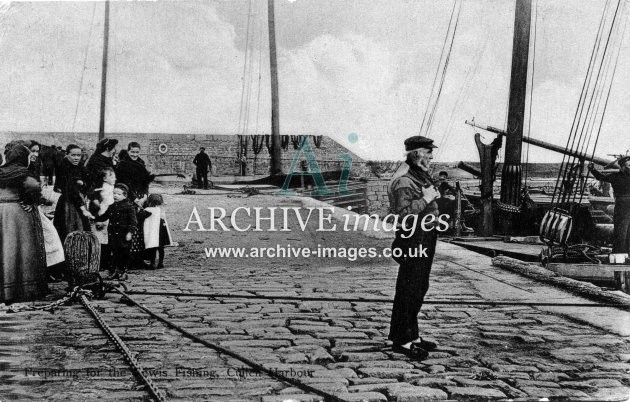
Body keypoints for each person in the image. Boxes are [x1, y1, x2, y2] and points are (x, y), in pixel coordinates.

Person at [387, 135, 441, 360]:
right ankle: (403, 341)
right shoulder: (405, 181)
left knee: (418, 286)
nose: (431, 156)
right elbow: (403, 215)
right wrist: (427, 199)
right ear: (417, 154)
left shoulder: (416, 176)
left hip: (424, 236)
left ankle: (411, 335)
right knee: (410, 288)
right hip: (414, 238)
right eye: (428, 152)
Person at [0, 141, 48, 303]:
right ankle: (23, 288)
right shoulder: (23, 172)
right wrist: (29, 201)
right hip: (18, 214)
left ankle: (5, 289)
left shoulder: (2, 171)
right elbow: (34, 186)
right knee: (21, 249)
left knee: (5, 248)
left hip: (2, 213)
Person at [53, 144, 93, 243]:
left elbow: (90, 180)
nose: (76, 158)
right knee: (70, 228)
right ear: (66, 155)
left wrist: (82, 184)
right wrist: (82, 207)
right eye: (73, 155)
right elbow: (69, 188)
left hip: (78, 199)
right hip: (68, 202)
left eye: (78, 155)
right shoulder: (64, 167)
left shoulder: (80, 166)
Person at [95, 183, 136, 279]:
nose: (115, 196)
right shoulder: (112, 206)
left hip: (124, 234)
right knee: (114, 252)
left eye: (118, 194)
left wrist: (130, 232)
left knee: (124, 253)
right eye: (114, 193)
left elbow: (133, 221)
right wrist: (95, 218)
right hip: (113, 234)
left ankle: (123, 272)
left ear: (125, 195)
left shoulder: (129, 207)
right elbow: (105, 216)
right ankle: (114, 271)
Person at [589, 157, 630, 253]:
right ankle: (620, 252)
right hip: (622, 205)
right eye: (629, 165)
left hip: (623, 204)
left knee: (625, 230)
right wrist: (592, 169)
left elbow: (600, 177)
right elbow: (600, 177)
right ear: (622, 167)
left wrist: (592, 169)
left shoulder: (615, 176)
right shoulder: (615, 176)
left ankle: (624, 253)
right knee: (621, 230)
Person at [88, 167, 116, 274]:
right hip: (101, 218)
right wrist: (98, 218)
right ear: (104, 178)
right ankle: (100, 263)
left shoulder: (112, 188)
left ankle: (105, 262)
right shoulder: (102, 190)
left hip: (107, 218)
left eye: (114, 176)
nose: (114, 178)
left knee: (106, 240)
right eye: (111, 176)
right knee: (99, 241)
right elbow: (99, 205)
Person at [143, 194, 173, 269]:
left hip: (153, 232)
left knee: (152, 248)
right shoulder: (160, 210)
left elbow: (142, 217)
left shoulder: (147, 210)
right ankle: (160, 263)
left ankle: (152, 263)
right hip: (161, 232)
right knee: (161, 249)